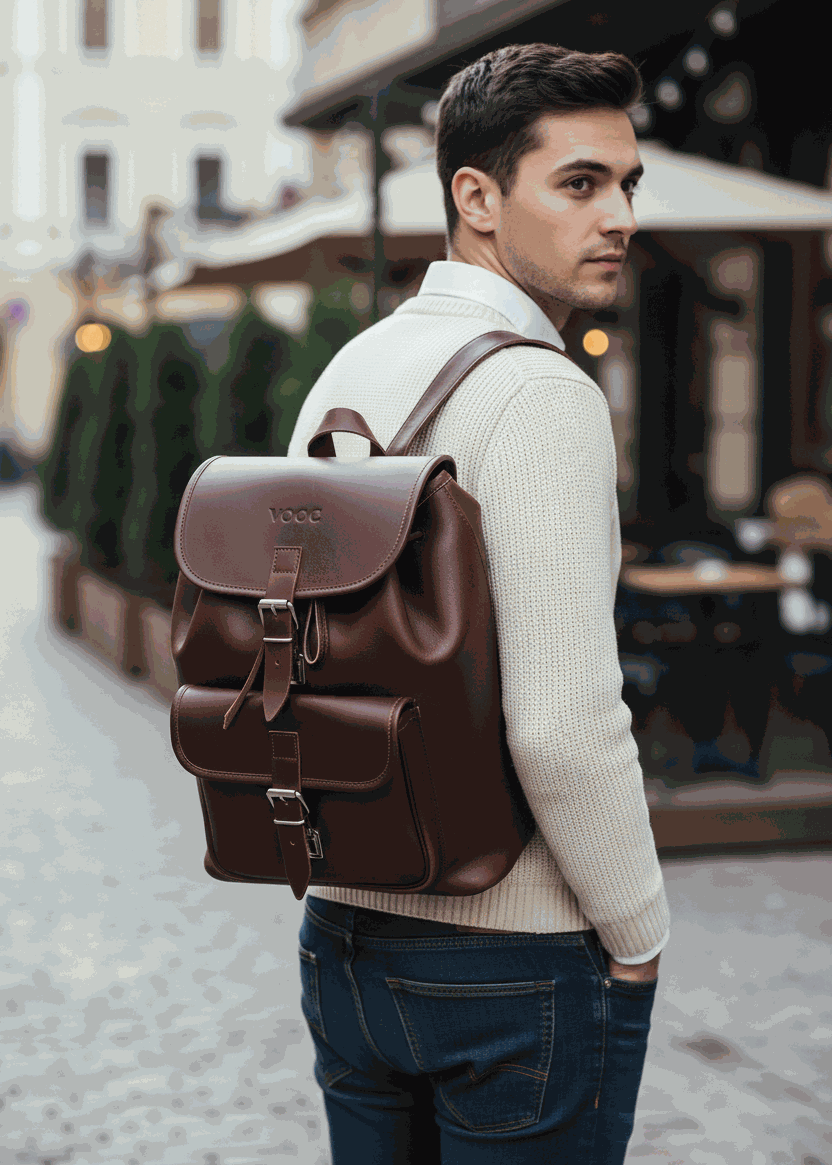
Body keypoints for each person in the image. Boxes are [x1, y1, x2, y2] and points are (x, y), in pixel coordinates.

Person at [286, 42, 671, 1164]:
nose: (619, 218)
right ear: (477, 198)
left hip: (346, 933)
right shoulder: (541, 391)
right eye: (580, 182)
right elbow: (561, 723)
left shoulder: (354, 365)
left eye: (627, 184)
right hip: (511, 957)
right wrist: (639, 928)